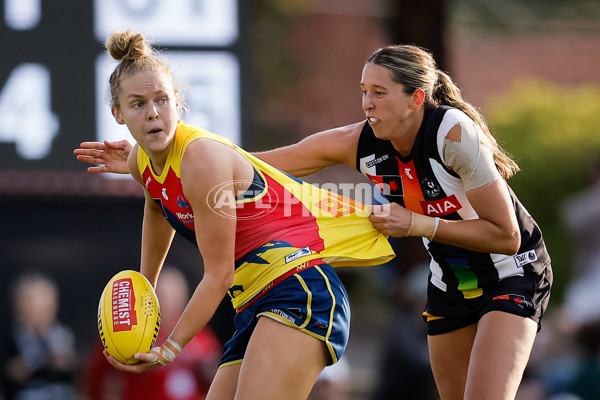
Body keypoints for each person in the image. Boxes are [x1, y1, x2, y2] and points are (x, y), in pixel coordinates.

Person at [77, 43, 553, 400]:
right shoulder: (355, 140)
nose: (366, 104)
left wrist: (416, 225)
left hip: (510, 269)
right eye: (363, 92)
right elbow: (251, 167)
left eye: (379, 93)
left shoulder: (452, 133)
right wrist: (159, 172)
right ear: (118, 113)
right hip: (445, 279)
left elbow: (506, 236)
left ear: (417, 98)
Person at [79, 30, 394, 400]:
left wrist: (170, 347)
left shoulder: (199, 160)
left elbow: (219, 274)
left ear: (177, 103)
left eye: (162, 99)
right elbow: (157, 203)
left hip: (299, 289)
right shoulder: (140, 160)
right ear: (117, 114)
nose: (152, 112)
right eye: (137, 104)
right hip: (253, 303)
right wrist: (145, 285)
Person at [82, 266, 222, 400]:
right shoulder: (132, 331)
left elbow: (216, 378)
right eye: (163, 296)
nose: (167, 302)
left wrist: (204, 369)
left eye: (173, 296)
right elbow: (97, 373)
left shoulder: (199, 335)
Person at [0, 272, 78, 400]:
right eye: (34, 309)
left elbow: (71, 368)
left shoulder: (61, 335)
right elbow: (10, 373)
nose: (41, 316)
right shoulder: (11, 338)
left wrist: (62, 360)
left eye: (46, 309)